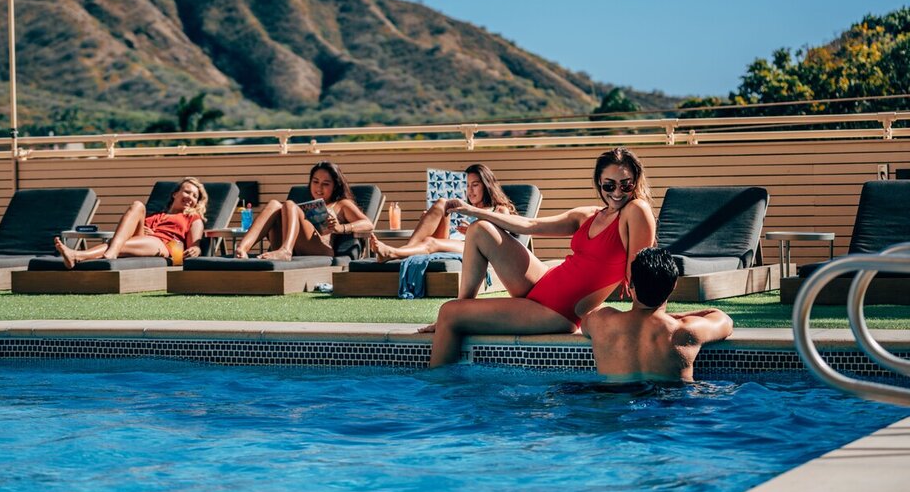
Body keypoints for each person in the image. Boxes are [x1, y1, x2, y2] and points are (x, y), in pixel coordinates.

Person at [425, 147, 656, 368]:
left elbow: (643, 274)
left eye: (625, 185)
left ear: (634, 183)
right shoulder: (588, 214)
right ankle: (463, 308)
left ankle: (436, 393)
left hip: (557, 311)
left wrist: (648, 320)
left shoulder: (636, 210)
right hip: (542, 282)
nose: (617, 192)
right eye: (609, 185)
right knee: (480, 229)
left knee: (448, 312)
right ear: (599, 182)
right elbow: (529, 224)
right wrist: (473, 210)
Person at [580, 247, 734, 383]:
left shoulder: (600, 321)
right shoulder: (685, 331)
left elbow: (584, 324)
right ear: (674, 285)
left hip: (615, 404)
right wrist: (668, 317)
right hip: (670, 406)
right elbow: (723, 319)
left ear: (630, 285)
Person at [369, 163, 516, 262]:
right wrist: (429, 218)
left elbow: (502, 243)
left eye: (475, 185)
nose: (470, 190)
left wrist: (473, 231)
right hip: (452, 240)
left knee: (429, 241)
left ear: (487, 186)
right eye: (467, 185)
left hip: (473, 246)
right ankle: (402, 252)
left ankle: (393, 253)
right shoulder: (463, 206)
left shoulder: (499, 209)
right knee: (442, 203)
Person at [54, 177, 208, 269]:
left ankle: (79, 255)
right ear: (175, 194)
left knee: (117, 243)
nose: (190, 197)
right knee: (138, 205)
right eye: (187, 192)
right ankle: (108, 252)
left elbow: (195, 245)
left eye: (195, 196)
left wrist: (196, 250)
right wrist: (145, 231)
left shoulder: (193, 218)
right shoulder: (157, 215)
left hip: (167, 246)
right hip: (145, 240)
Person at [234, 160, 373, 261]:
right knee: (274, 204)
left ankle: (285, 251)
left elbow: (368, 224)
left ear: (335, 186)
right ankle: (242, 249)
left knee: (289, 204)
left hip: (321, 249)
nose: (319, 188)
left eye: (326, 184)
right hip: (296, 246)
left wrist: (341, 227)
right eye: (315, 182)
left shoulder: (342, 204)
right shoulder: (306, 204)